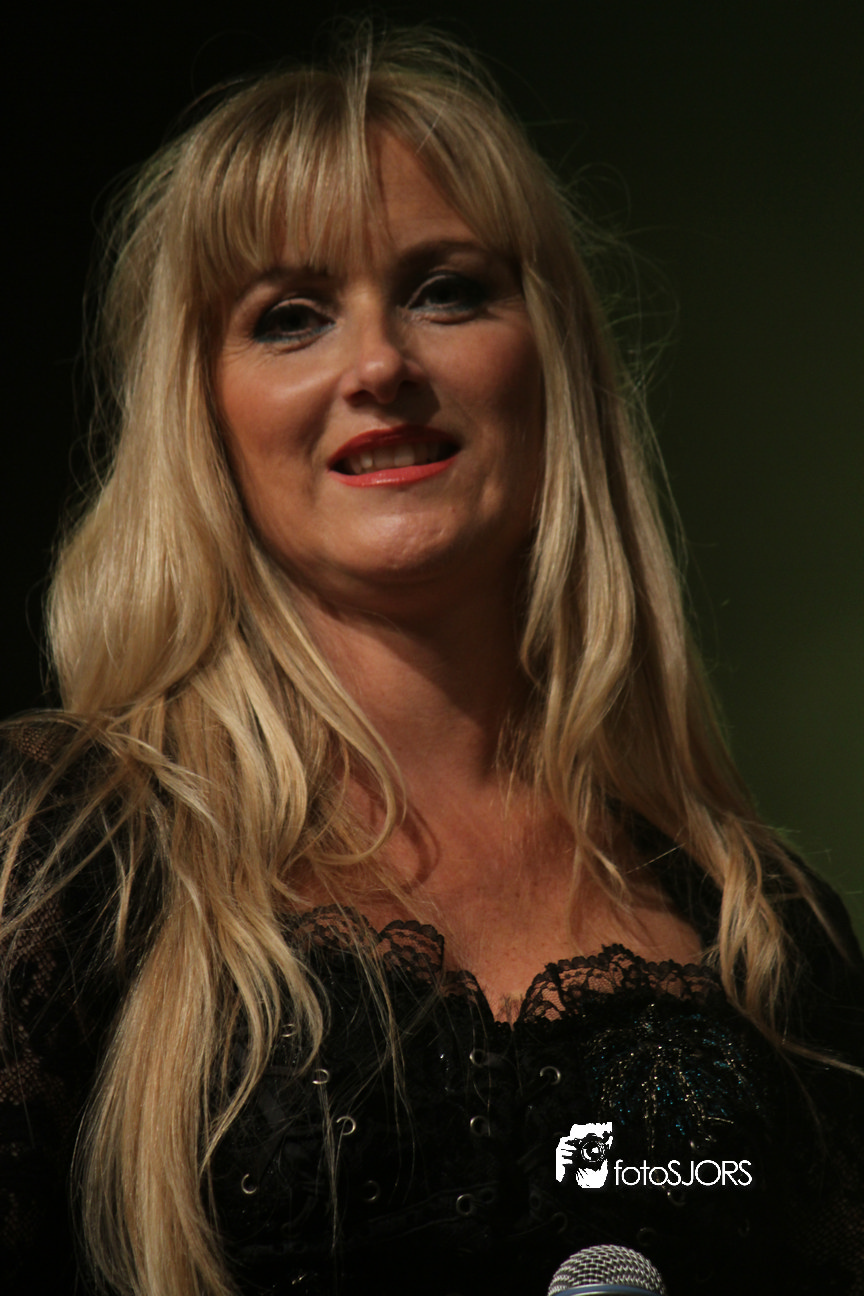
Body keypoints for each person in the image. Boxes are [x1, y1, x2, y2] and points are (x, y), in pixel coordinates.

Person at [1, 27, 862, 1296]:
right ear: (203, 414)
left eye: (446, 291)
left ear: (551, 361)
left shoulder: (764, 930)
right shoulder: (61, 849)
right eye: (290, 319)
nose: (381, 366)